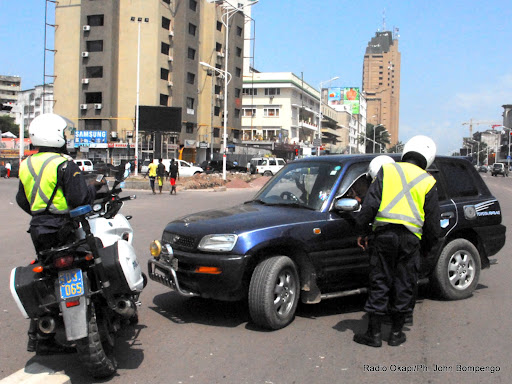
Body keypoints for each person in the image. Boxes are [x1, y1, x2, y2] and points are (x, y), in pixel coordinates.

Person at [16, 113, 101, 354]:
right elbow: (79, 199)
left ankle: (38, 332)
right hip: (64, 227)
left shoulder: (26, 164)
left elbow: (22, 200)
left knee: (48, 272)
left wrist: (39, 213)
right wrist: (93, 189)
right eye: (64, 133)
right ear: (55, 136)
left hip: (39, 229)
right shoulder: (64, 164)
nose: (66, 138)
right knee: (88, 263)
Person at [353, 136, 440, 347]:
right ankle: (395, 334)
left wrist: (362, 231)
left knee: (380, 282)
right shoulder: (428, 181)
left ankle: (373, 335)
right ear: (428, 159)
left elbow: (369, 206)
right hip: (410, 241)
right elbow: (432, 224)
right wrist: (427, 247)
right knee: (404, 284)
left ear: (406, 151)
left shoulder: (388, 170)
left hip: (383, 237)